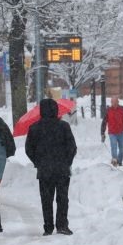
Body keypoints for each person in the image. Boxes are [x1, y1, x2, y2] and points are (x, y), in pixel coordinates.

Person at [26, 98, 77, 236]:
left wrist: (38, 162)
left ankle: (48, 227)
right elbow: (72, 147)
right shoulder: (64, 126)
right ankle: (62, 225)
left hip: (44, 171)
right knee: (62, 198)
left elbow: (28, 149)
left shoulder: (34, 128)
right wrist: (67, 162)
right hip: (62, 170)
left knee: (46, 200)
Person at [100, 96, 123, 166]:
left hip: (121, 132)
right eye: (113, 102)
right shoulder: (108, 110)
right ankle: (114, 161)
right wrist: (102, 133)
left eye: (116, 102)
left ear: (118, 102)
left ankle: (119, 161)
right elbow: (104, 122)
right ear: (111, 103)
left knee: (122, 149)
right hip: (112, 133)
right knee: (114, 146)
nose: (114, 103)